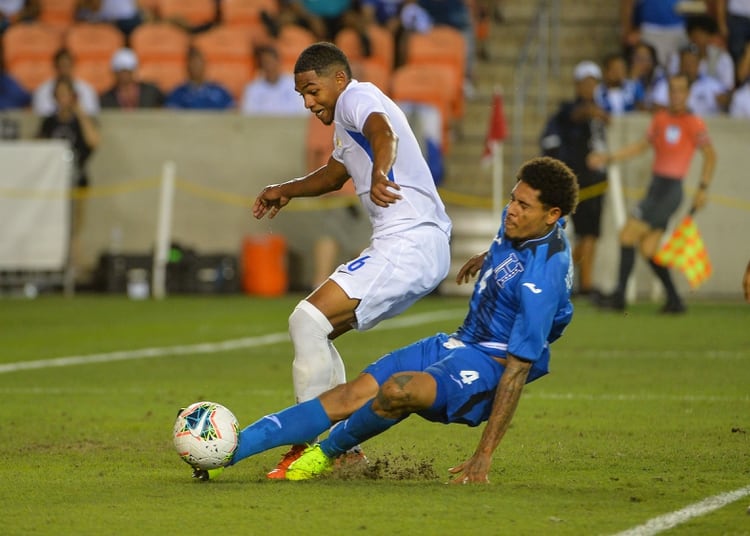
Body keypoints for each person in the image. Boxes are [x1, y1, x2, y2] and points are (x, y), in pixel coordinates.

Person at [192, 156, 578, 483]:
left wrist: (484, 455)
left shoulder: (543, 275)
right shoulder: (519, 225)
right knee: (347, 394)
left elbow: (518, 370)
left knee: (398, 390)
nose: (512, 209)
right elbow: (512, 250)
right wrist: (486, 258)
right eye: (513, 199)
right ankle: (228, 451)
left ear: (553, 215)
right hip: (455, 343)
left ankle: (325, 455)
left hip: (488, 367)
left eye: (524, 206)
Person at [251, 41, 452, 479]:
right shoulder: (346, 122)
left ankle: (306, 445)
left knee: (306, 320)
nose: (307, 102)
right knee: (317, 331)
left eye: (312, 90)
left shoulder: (357, 99)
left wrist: (381, 172)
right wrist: (286, 188)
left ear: (338, 79)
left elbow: (384, 133)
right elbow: (334, 175)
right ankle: (345, 449)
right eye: (301, 94)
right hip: (413, 245)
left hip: (409, 241)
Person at [590, 73, 716, 314]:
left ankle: (618, 298)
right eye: (672, 90)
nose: (676, 95)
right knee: (648, 249)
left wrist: (702, 188)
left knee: (627, 235)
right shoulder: (660, 119)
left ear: (688, 94)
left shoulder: (694, 123)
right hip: (655, 186)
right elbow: (640, 146)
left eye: (681, 90)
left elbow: (711, 156)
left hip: (670, 190)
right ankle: (675, 301)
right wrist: (608, 158)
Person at [540, 60, 608, 298]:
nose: (590, 88)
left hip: (597, 181)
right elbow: (574, 115)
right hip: (580, 181)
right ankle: (573, 281)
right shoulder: (569, 110)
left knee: (591, 234)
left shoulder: (601, 109)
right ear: (578, 85)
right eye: (586, 83)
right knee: (582, 233)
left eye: (593, 83)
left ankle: (584, 283)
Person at [37, 77, 101, 278]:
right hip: (53, 185)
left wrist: (79, 111)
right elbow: (40, 149)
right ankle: (51, 268)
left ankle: (73, 269)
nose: (63, 98)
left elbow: (94, 141)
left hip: (77, 181)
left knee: (74, 228)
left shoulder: (80, 120)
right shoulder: (49, 122)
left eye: (67, 94)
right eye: (60, 94)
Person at [652, 44, 730, 116]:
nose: (688, 66)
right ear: (680, 63)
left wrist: (725, 101)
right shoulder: (666, 83)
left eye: (691, 62)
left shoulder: (713, 85)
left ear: (699, 63)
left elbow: (728, 105)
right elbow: (656, 108)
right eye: (685, 62)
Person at [239, 45, 306, 116]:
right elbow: (247, 116)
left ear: (278, 62)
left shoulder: (295, 84)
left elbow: (303, 113)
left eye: (271, 62)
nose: (269, 67)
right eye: (265, 63)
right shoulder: (252, 89)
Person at [33, 48, 100, 117]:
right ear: (55, 66)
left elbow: (92, 115)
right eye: (61, 66)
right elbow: (41, 116)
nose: (64, 70)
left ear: (73, 65)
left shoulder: (87, 90)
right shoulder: (42, 91)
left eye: (67, 65)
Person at [165, 47, 234, 110]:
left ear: (204, 65)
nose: (196, 67)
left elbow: (232, 114)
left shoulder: (220, 92)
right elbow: (171, 118)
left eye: (199, 63)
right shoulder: (178, 93)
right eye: (193, 64)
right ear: (187, 67)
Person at [100, 48, 164, 109]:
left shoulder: (151, 92)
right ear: (114, 72)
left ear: (134, 70)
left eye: (127, 71)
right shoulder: (106, 98)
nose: (124, 75)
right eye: (121, 71)